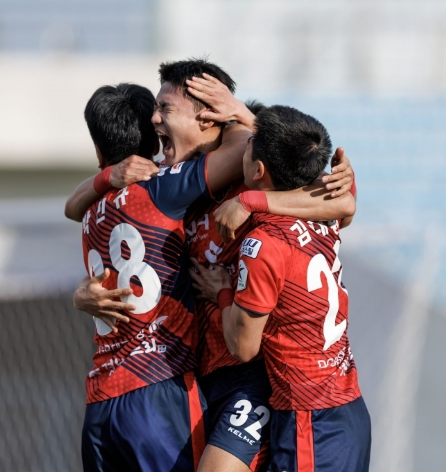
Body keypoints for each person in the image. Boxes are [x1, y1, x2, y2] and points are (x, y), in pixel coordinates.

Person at [68, 59, 356, 472]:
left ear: (208, 117)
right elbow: (99, 225)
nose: (154, 120)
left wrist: (248, 178)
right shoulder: (178, 190)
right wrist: (82, 292)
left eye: (165, 109)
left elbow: (340, 204)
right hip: (201, 378)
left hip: (256, 379)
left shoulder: (253, 184)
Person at [76, 81, 251, 472]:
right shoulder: (162, 186)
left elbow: (73, 205)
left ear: (98, 150)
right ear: (155, 142)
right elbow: (243, 149)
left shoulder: (89, 212)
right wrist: (233, 110)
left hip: (100, 402)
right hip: (157, 387)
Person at [193, 105, 371, 472]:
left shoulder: (263, 244)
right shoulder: (326, 213)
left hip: (310, 417)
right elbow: (346, 200)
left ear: (258, 170)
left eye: (249, 145)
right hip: (348, 409)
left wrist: (221, 292)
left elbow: (243, 347)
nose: (242, 147)